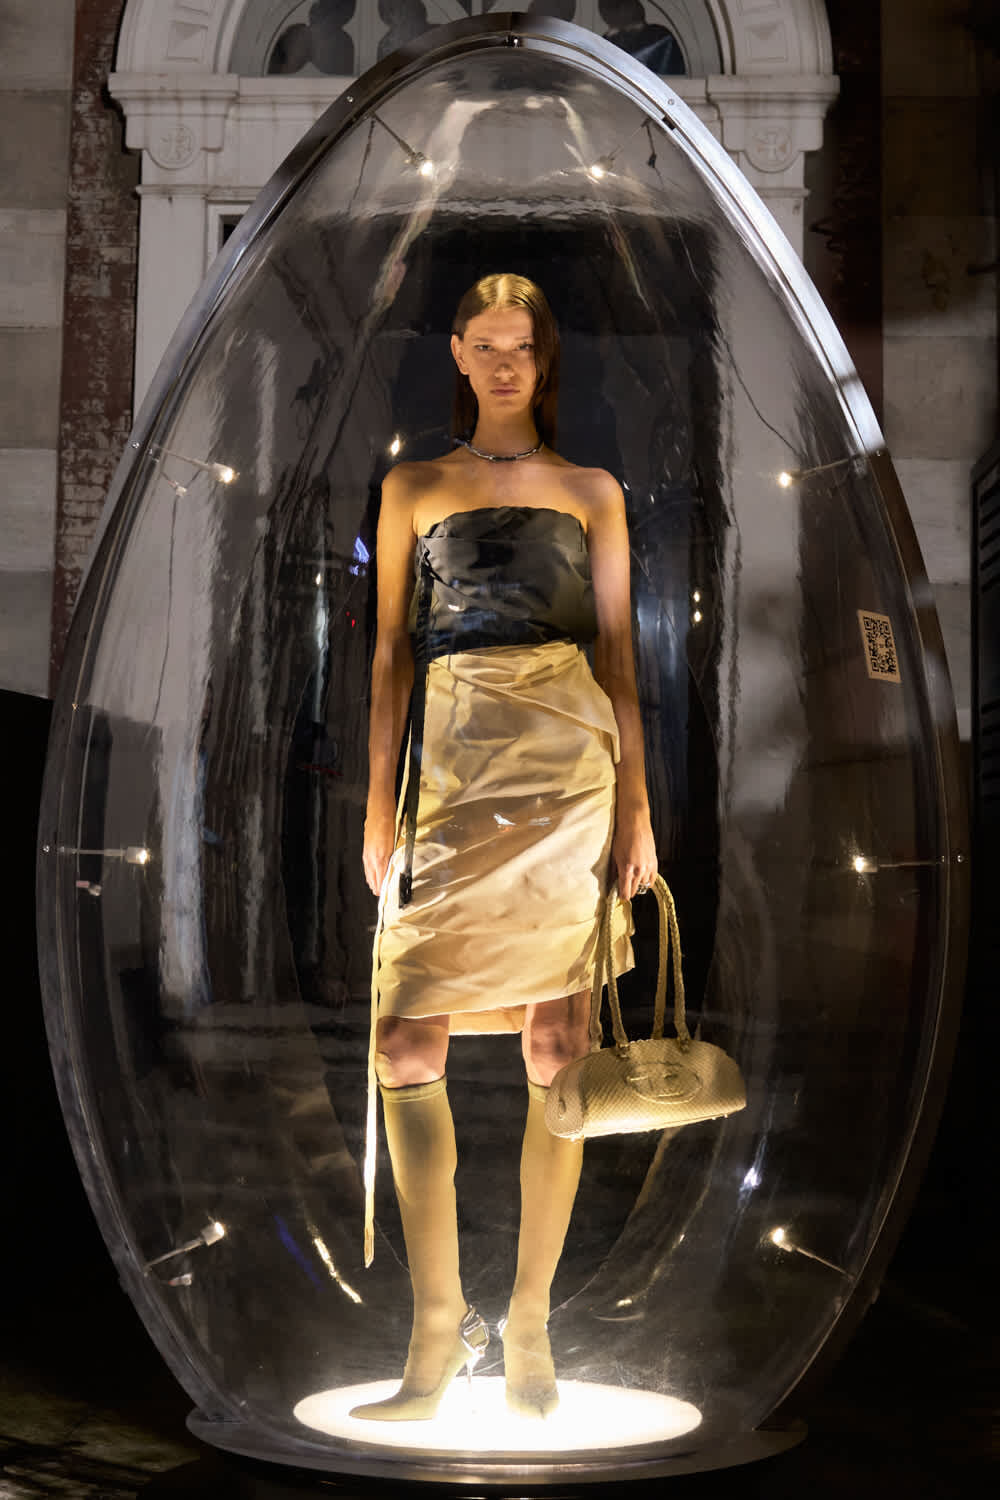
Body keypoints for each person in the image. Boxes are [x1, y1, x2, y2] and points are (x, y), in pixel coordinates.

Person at [353, 273, 657, 1422]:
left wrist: (635, 811)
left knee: (557, 1044)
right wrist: (377, 806)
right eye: (484, 345)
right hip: (459, 754)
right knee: (402, 1035)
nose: (502, 363)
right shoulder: (411, 487)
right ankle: (436, 1329)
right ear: (458, 353)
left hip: (568, 761)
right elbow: (388, 653)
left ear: (544, 355)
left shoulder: (591, 490)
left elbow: (621, 654)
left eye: (520, 345)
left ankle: (528, 1322)